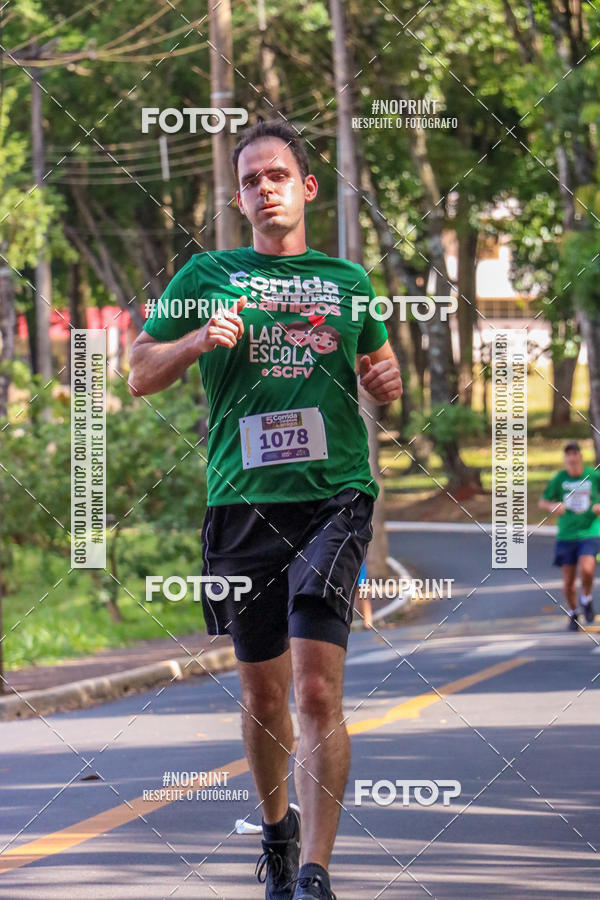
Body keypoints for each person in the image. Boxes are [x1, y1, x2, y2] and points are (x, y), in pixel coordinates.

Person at [128, 120, 402, 900]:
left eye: (277, 174)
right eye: (250, 180)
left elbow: (381, 370)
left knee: (317, 689)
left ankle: (316, 870)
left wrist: (389, 386)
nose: (264, 188)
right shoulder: (208, 273)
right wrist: (194, 345)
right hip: (242, 506)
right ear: (241, 198)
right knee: (262, 693)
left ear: (307, 187)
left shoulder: (347, 280)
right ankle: (277, 833)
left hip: (334, 498)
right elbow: (139, 373)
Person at [538, 441, 600, 630]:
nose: (572, 458)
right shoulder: (559, 479)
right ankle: (573, 612)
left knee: (587, 569)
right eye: (568, 455)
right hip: (566, 535)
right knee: (568, 582)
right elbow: (543, 501)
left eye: (575, 454)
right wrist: (552, 506)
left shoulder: (593, 476)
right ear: (565, 459)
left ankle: (586, 598)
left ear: (580, 456)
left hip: (590, 531)